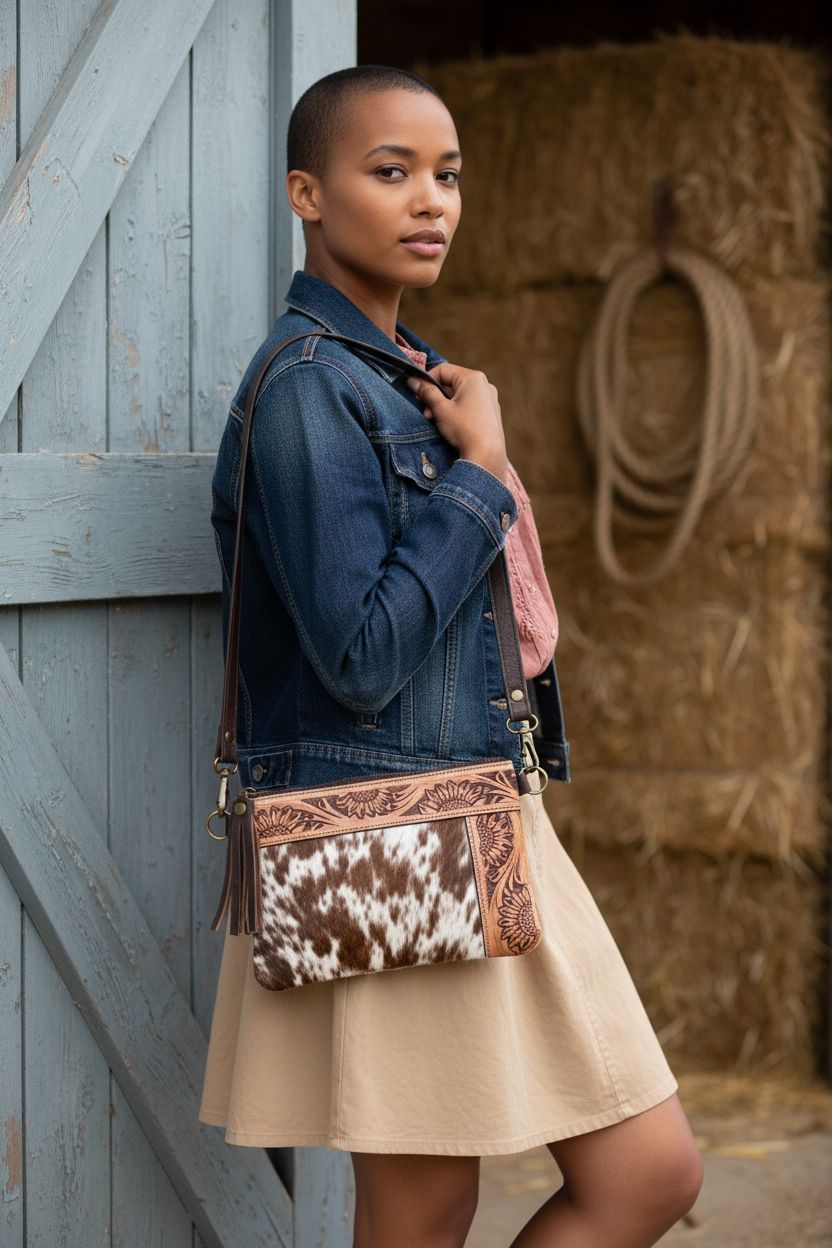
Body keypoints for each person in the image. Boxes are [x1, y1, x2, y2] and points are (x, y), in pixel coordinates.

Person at [198, 63, 703, 1248]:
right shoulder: (309, 388)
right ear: (307, 195)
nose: (432, 200)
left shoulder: (407, 378)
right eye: (392, 172)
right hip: (396, 835)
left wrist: (470, 446)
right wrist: (478, 476)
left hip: (483, 810)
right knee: (430, 1211)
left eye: (449, 175)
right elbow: (361, 657)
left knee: (649, 1173)